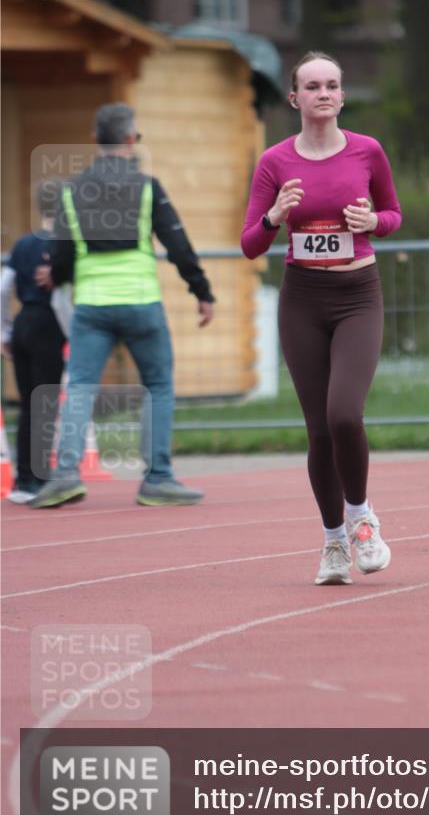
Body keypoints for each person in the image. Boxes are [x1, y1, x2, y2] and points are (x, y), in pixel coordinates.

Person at [241, 51, 401, 585]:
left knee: (344, 415)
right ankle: (332, 541)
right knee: (317, 433)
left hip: (358, 294)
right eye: (312, 86)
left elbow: (394, 214)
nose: (324, 93)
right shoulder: (274, 162)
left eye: (332, 84)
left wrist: (372, 220)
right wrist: (275, 216)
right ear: (295, 98)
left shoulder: (367, 151)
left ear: (342, 95)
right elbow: (249, 243)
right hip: (303, 299)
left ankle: (361, 518)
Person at [30, 103, 215, 509]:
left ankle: (63, 475)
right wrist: (201, 292)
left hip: (91, 305)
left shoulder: (71, 190)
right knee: (158, 385)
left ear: (96, 139)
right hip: (141, 302)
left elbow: (61, 254)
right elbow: (178, 245)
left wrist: (57, 277)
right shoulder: (148, 186)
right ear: (132, 139)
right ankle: (158, 478)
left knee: (79, 387)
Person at [1, 181, 67, 503]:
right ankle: (40, 480)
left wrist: (4, 331)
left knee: (29, 404)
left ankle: (24, 479)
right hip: (47, 324)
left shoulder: (24, 243)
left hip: (23, 320)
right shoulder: (64, 245)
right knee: (46, 402)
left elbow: (3, 287)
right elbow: (65, 296)